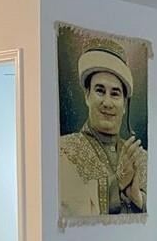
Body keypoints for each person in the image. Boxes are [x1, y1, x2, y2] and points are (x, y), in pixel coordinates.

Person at [59, 41, 147, 218]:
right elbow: (71, 212)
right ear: (87, 97)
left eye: (115, 94)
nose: (107, 103)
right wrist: (119, 182)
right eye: (100, 91)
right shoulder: (64, 151)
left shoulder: (140, 157)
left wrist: (138, 198)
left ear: (124, 105)